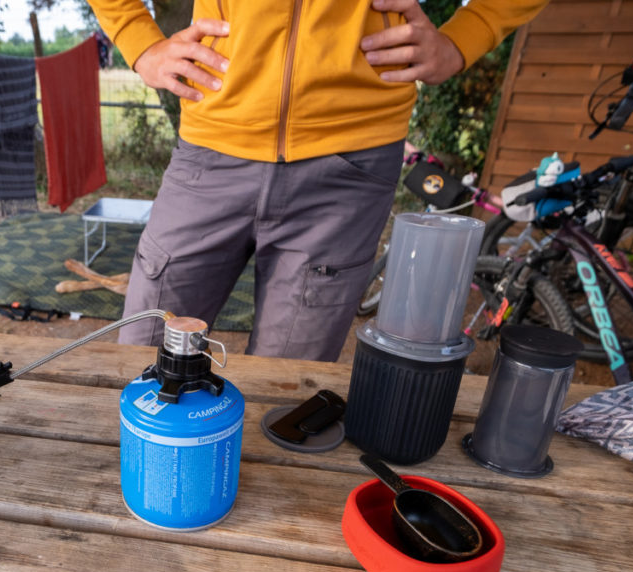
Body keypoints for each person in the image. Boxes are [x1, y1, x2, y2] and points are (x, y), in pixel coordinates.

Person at [87, 0, 550, 360]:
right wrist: (138, 40)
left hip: (349, 166)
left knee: (284, 391)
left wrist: (466, 36)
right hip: (210, 150)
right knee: (146, 363)